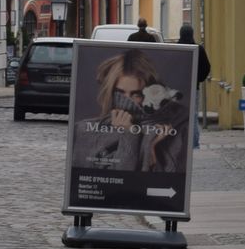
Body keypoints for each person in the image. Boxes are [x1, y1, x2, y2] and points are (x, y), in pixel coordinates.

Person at [73, 46, 186, 175]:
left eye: (135, 94)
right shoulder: (85, 130)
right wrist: (129, 134)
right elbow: (114, 180)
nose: (127, 100)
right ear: (110, 92)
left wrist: (151, 149)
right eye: (120, 92)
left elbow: (166, 182)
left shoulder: (170, 127)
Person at [178, 22, 211, 149]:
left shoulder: (176, 48)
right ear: (191, 34)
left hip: (178, 88)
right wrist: (199, 78)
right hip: (194, 87)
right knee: (193, 116)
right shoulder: (198, 49)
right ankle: (194, 144)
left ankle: (180, 143)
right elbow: (206, 67)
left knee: (179, 116)